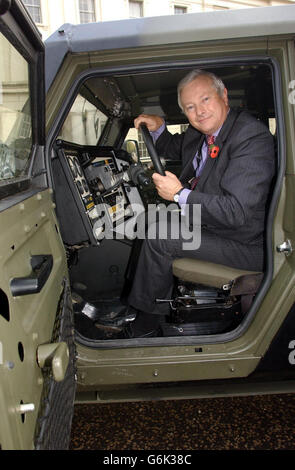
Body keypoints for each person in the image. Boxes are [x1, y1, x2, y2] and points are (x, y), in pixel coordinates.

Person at [108, 69, 275, 337]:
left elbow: (236, 213)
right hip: (213, 224)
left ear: (223, 96)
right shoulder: (201, 133)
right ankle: (138, 303)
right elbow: (175, 147)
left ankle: (145, 326)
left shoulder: (250, 138)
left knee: (161, 236)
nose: (199, 111)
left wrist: (178, 194)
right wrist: (159, 126)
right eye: (190, 107)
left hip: (249, 243)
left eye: (205, 100)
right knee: (152, 221)